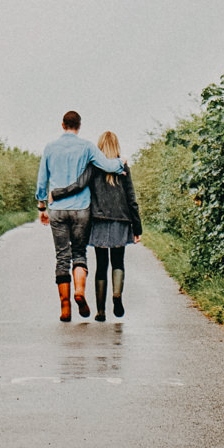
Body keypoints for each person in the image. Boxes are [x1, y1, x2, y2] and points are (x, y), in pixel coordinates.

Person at [36, 111, 126, 322]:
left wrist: (42, 207)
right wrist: (122, 163)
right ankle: (79, 291)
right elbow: (108, 166)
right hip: (82, 209)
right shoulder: (86, 147)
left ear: (62, 125)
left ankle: (65, 308)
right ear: (79, 126)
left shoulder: (50, 148)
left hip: (57, 209)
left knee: (61, 257)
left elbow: (42, 181)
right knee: (79, 253)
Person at [49, 130, 142, 320]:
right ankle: (117, 295)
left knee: (101, 265)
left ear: (99, 146)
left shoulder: (93, 166)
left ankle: (100, 312)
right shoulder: (122, 167)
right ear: (116, 145)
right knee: (118, 261)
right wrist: (137, 227)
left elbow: (78, 185)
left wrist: (57, 193)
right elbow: (131, 198)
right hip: (121, 220)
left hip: (98, 220)